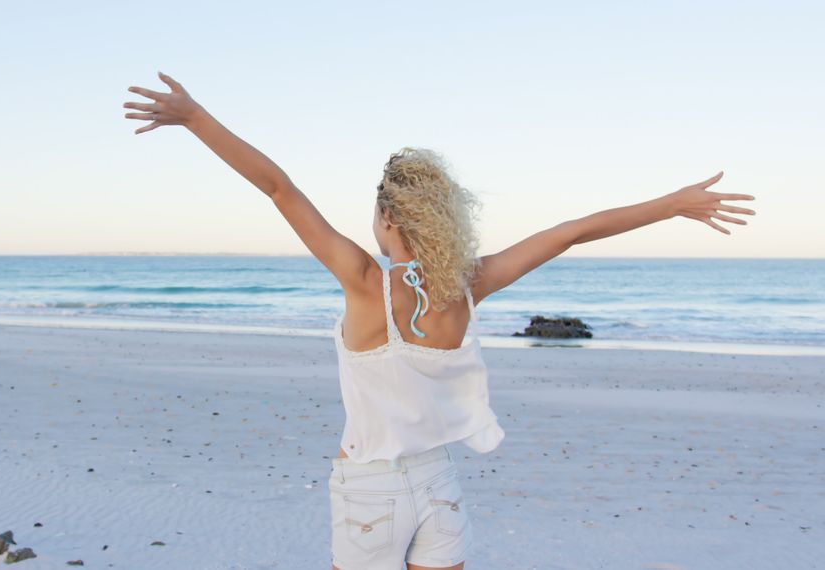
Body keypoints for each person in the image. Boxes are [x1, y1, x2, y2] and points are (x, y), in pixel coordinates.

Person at [123, 71, 756, 570]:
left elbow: (280, 189)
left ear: (389, 220)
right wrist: (673, 204)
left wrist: (195, 118)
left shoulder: (364, 280)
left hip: (369, 487)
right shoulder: (468, 284)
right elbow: (571, 232)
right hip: (438, 480)